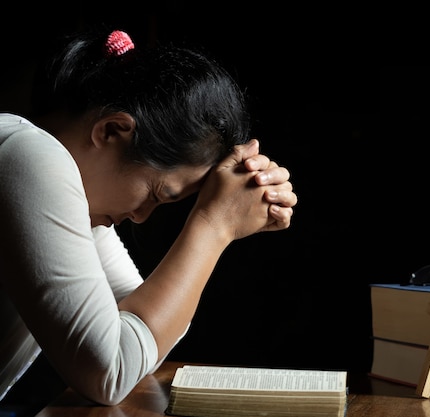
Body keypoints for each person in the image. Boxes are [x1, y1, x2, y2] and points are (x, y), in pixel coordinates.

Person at [0, 27, 297, 414]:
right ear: (112, 131)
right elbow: (110, 369)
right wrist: (214, 225)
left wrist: (229, 201)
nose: (139, 217)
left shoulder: (74, 199)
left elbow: (141, 336)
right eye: (157, 194)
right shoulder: (29, 156)